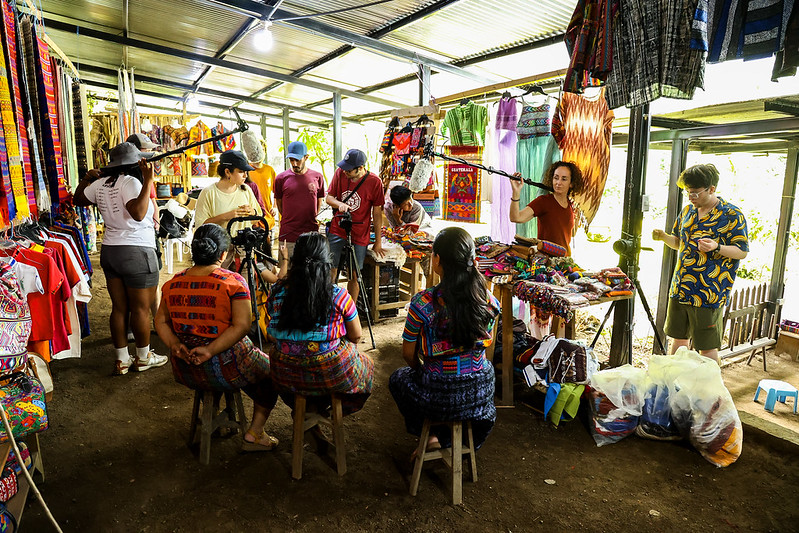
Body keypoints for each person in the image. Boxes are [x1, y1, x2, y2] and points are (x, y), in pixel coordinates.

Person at [155, 224, 279, 451]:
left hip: (187, 368)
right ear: (223, 254)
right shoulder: (232, 282)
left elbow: (160, 321)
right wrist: (210, 350)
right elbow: (242, 326)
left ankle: (211, 414)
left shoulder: (172, 283)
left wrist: (175, 345)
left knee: (227, 366)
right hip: (225, 367)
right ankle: (254, 433)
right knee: (273, 372)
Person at [389, 226, 499, 453]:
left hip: (437, 394)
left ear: (437, 259)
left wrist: (424, 373)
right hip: (479, 393)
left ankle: (433, 435)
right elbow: (486, 349)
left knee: (398, 379)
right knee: (482, 374)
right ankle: (447, 440)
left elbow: (408, 354)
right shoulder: (488, 301)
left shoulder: (422, 303)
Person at [73, 142, 168, 375]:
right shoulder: (132, 182)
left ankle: (122, 360)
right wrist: (148, 180)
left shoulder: (101, 184)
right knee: (140, 309)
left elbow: (78, 199)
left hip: (111, 251)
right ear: (136, 163)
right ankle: (144, 357)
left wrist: (87, 178)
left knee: (119, 308)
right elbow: (137, 214)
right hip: (137, 251)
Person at [266, 232, 374, 416]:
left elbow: (271, 334)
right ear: (327, 262)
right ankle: (325, 413)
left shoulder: (276, 293)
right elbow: (356, 336)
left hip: (286, 376)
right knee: (367, 364)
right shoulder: (339, 296)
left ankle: (309, 413)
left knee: (285, 373)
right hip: (332, 375)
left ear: (294, 260)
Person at [653, 163, 748, 363]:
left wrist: (717, 247)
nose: (690, 197)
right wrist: (663, 237)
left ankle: (711, 392)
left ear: (711, 189)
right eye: (688, 192)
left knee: (707, 347)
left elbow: (741, 252)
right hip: (681, 287)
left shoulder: (731, 215)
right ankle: (673, 384)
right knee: (678, 338)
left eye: (695, 193)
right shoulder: (687, 211)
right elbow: (680, 243)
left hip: (708, 292)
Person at [325, 148, 385, 302]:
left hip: (359, 233)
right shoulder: (340, 173)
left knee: (355, 274)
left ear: (360, 168)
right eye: (344, 168)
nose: (345, 172)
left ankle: (350, 310)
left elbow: (377, 214)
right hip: (338, 228)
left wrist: (378, 241)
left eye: (349, 170)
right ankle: (328, 305)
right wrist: (339, 204)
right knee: (332, 268)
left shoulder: (374, 182)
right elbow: (329, 197)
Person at [194, 150, 263, 268]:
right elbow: (201, 227)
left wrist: (252, 212)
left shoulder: (246, 190)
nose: (245, 175)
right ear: (227, 172)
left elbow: (257, 217)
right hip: (219, 252)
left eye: (246, 172)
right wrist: (226, 216)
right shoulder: (209, 193)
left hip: (243, 249)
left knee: (245, 284)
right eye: (241, 171)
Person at [508, 161, 584, 256]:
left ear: (571, 183)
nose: (558, 182)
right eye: (556, 178)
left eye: (564, 179)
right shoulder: (543, 201)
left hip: (563, 262)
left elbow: (566, 236)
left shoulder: (570, 205)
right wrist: (516, 191)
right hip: (545, 263)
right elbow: (516, 218)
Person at [274, 141, 325, 262]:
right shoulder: (281, 178)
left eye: (298, 160)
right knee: (285, 272)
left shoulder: (317, 177)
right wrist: (289, 218)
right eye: (291, 160)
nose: (294, 163)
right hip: (288, 232)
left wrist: (312, 217)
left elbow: (319, 200)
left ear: (306, 157)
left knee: (309, 271)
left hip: (310, 232)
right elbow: (279, 203)